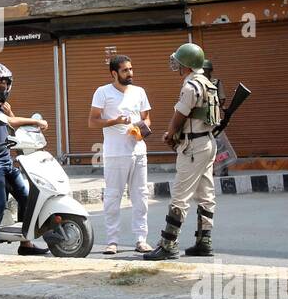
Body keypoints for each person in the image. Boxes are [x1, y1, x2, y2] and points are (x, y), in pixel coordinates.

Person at [143, 43, 220, 260]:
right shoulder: (207, 83)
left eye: (179, 61)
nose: (176, 65)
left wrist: (169, 133)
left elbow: (180, 115)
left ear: (186, 65)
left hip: (193, 146)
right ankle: (204, 241)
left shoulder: (190, 86)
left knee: (180, 195)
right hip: (207, 142)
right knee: (206, 194)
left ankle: (168, 244)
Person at [0, 63, 49, 255]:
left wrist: (11, 113)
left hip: (5, 163)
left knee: (27, 198)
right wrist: (36, 121)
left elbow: (14, 127)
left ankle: (26, 245)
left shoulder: (0, 107)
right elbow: (11, 122)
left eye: (5, 83)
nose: (2, 87)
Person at [88, 54, 152, 254]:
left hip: (138, 152)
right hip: (115, 154)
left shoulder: (139, 91)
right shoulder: (102, 92)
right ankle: (112, 241)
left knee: (141, 195)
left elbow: (147, 119)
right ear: (114, 73)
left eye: (131, 69)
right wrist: (114, 121)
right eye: (125, 70)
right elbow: (92, 121)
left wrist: (141, 130)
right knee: (113, 197)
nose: (130, 73)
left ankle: (141, 239)